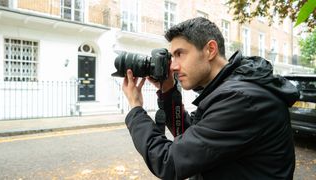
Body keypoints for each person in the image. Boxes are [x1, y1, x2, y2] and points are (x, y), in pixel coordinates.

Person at [121, 17, 299, 179]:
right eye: (171, 56)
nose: (173, 66)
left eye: (179, 54)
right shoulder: (229, 89)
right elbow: (195, 141)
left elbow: (169, 162)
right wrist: (167, 92)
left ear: (210, 50)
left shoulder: (242, 99)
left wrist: (136, 108)